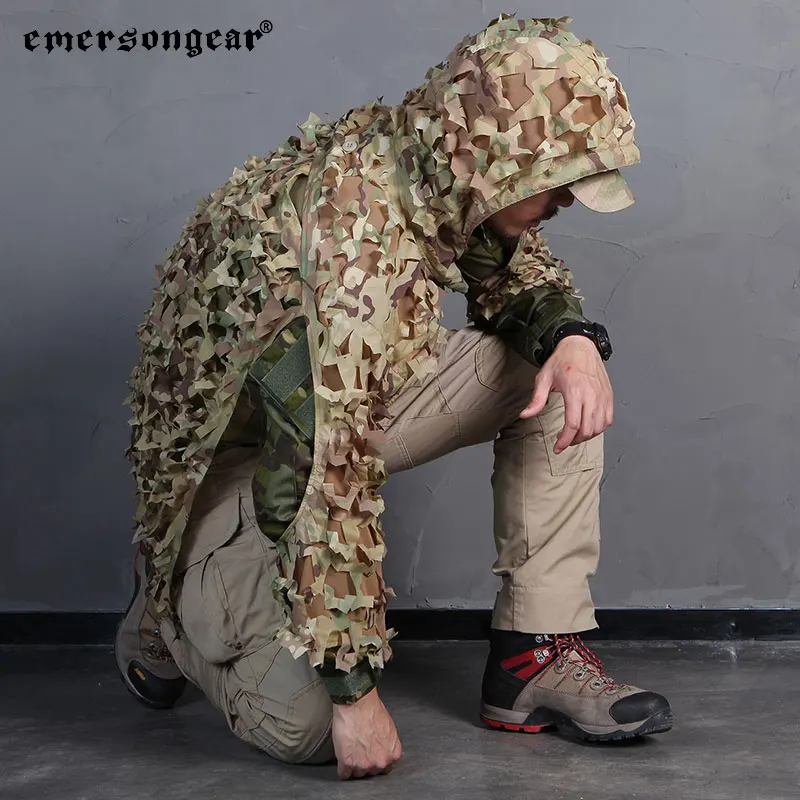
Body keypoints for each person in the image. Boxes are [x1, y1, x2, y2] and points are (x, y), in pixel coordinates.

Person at [115, 14, 673, 780]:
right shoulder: (345, 247)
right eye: (557, 183)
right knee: (309, 729)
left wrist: (570, 336)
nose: (570, 202)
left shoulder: (431, 165)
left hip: (325, 420)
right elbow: (318, 476)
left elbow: (508, 265)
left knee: (553, 373)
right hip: (239, 471)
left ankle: (532, 656)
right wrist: (353, 693)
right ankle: (167, 602)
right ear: (495, 163)